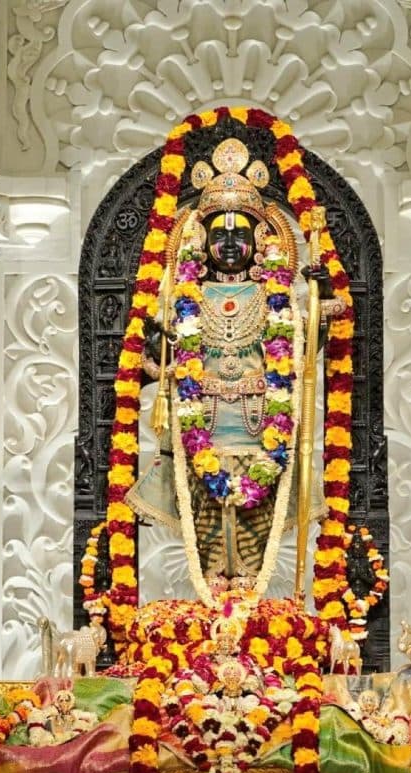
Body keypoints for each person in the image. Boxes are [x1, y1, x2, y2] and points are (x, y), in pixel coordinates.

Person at [127, 138, 330, 589]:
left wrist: (323, 298)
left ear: (260, 241)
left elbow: (303, 351)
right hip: (202, 432)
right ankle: (210, 608)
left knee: (255, 543)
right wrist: (160, 351)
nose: (231, 243)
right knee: (209, 545)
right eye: (220, 234)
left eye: (241, 234)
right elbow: (155, 364)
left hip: (263, 432)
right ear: (202, 241)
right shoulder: (186, 298)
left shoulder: (275, 298)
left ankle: (255, 613)